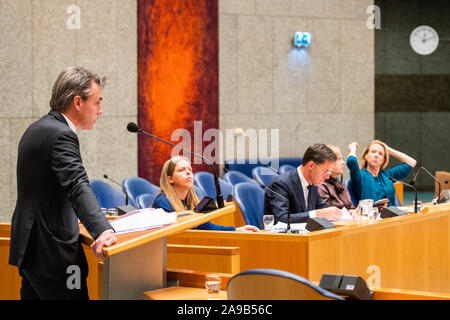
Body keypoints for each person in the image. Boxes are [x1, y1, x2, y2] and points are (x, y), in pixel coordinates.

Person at [9, 66, 117, 300]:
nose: (101, 110)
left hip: (31, 248)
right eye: (97, 102)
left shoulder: (37, 129)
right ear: (78, 102)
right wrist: (103, 230)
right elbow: (77, 184)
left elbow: (46, 189)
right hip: (53, 254)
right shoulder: (61, 134)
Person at [152, 156, 260, 232]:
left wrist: (235, 230)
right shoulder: (163, 202)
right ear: (170, 179)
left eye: (190, 169)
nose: (188, 172)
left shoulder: (192, 199)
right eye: (181, 170)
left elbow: (204, 226)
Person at [264, 143, 342, 224]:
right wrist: (316, 214)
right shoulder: (281, 184)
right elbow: (281, 218)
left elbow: (324, 209)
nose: (327, 177)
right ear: (311, 165)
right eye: (326, 171)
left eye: (329, 172)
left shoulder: (313, 183)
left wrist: (341, 213)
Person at [347, 140, 417, 208]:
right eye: (373, 152)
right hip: (370, 217)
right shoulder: (359, 176)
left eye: (380, 154)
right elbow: (352, 161)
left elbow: (411, 163)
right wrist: (353, 148)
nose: (376, 155)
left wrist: (389, 150)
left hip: (391, 216)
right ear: (366, 156)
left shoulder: (388, 175)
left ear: (383, 160)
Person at [318, 145, 355, 210]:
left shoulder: (340, 185)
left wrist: (353, 212)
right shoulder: (321, 185)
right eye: (339, 159)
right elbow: (327, 212)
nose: (343, 162)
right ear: (328, 163)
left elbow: (351, 207)